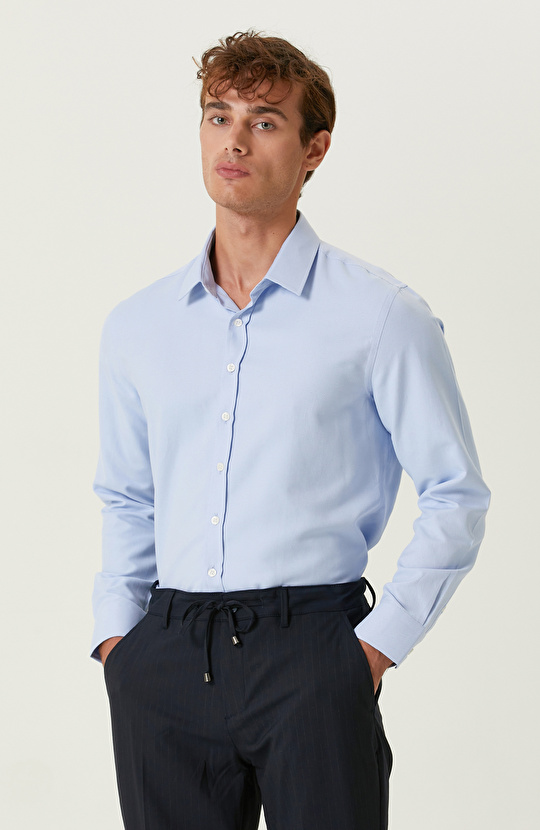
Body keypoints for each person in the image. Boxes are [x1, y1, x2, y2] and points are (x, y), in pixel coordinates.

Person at [91, 30, 490, 830]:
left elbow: (456, 494)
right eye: (218, 115)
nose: (234, 140)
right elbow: (127, 497)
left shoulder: (381, 314)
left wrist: (369, 652)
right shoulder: (137, 326)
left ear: (315, 150)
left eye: (265, 121)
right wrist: (118, 645)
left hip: (312, 651)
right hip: (163, 657)